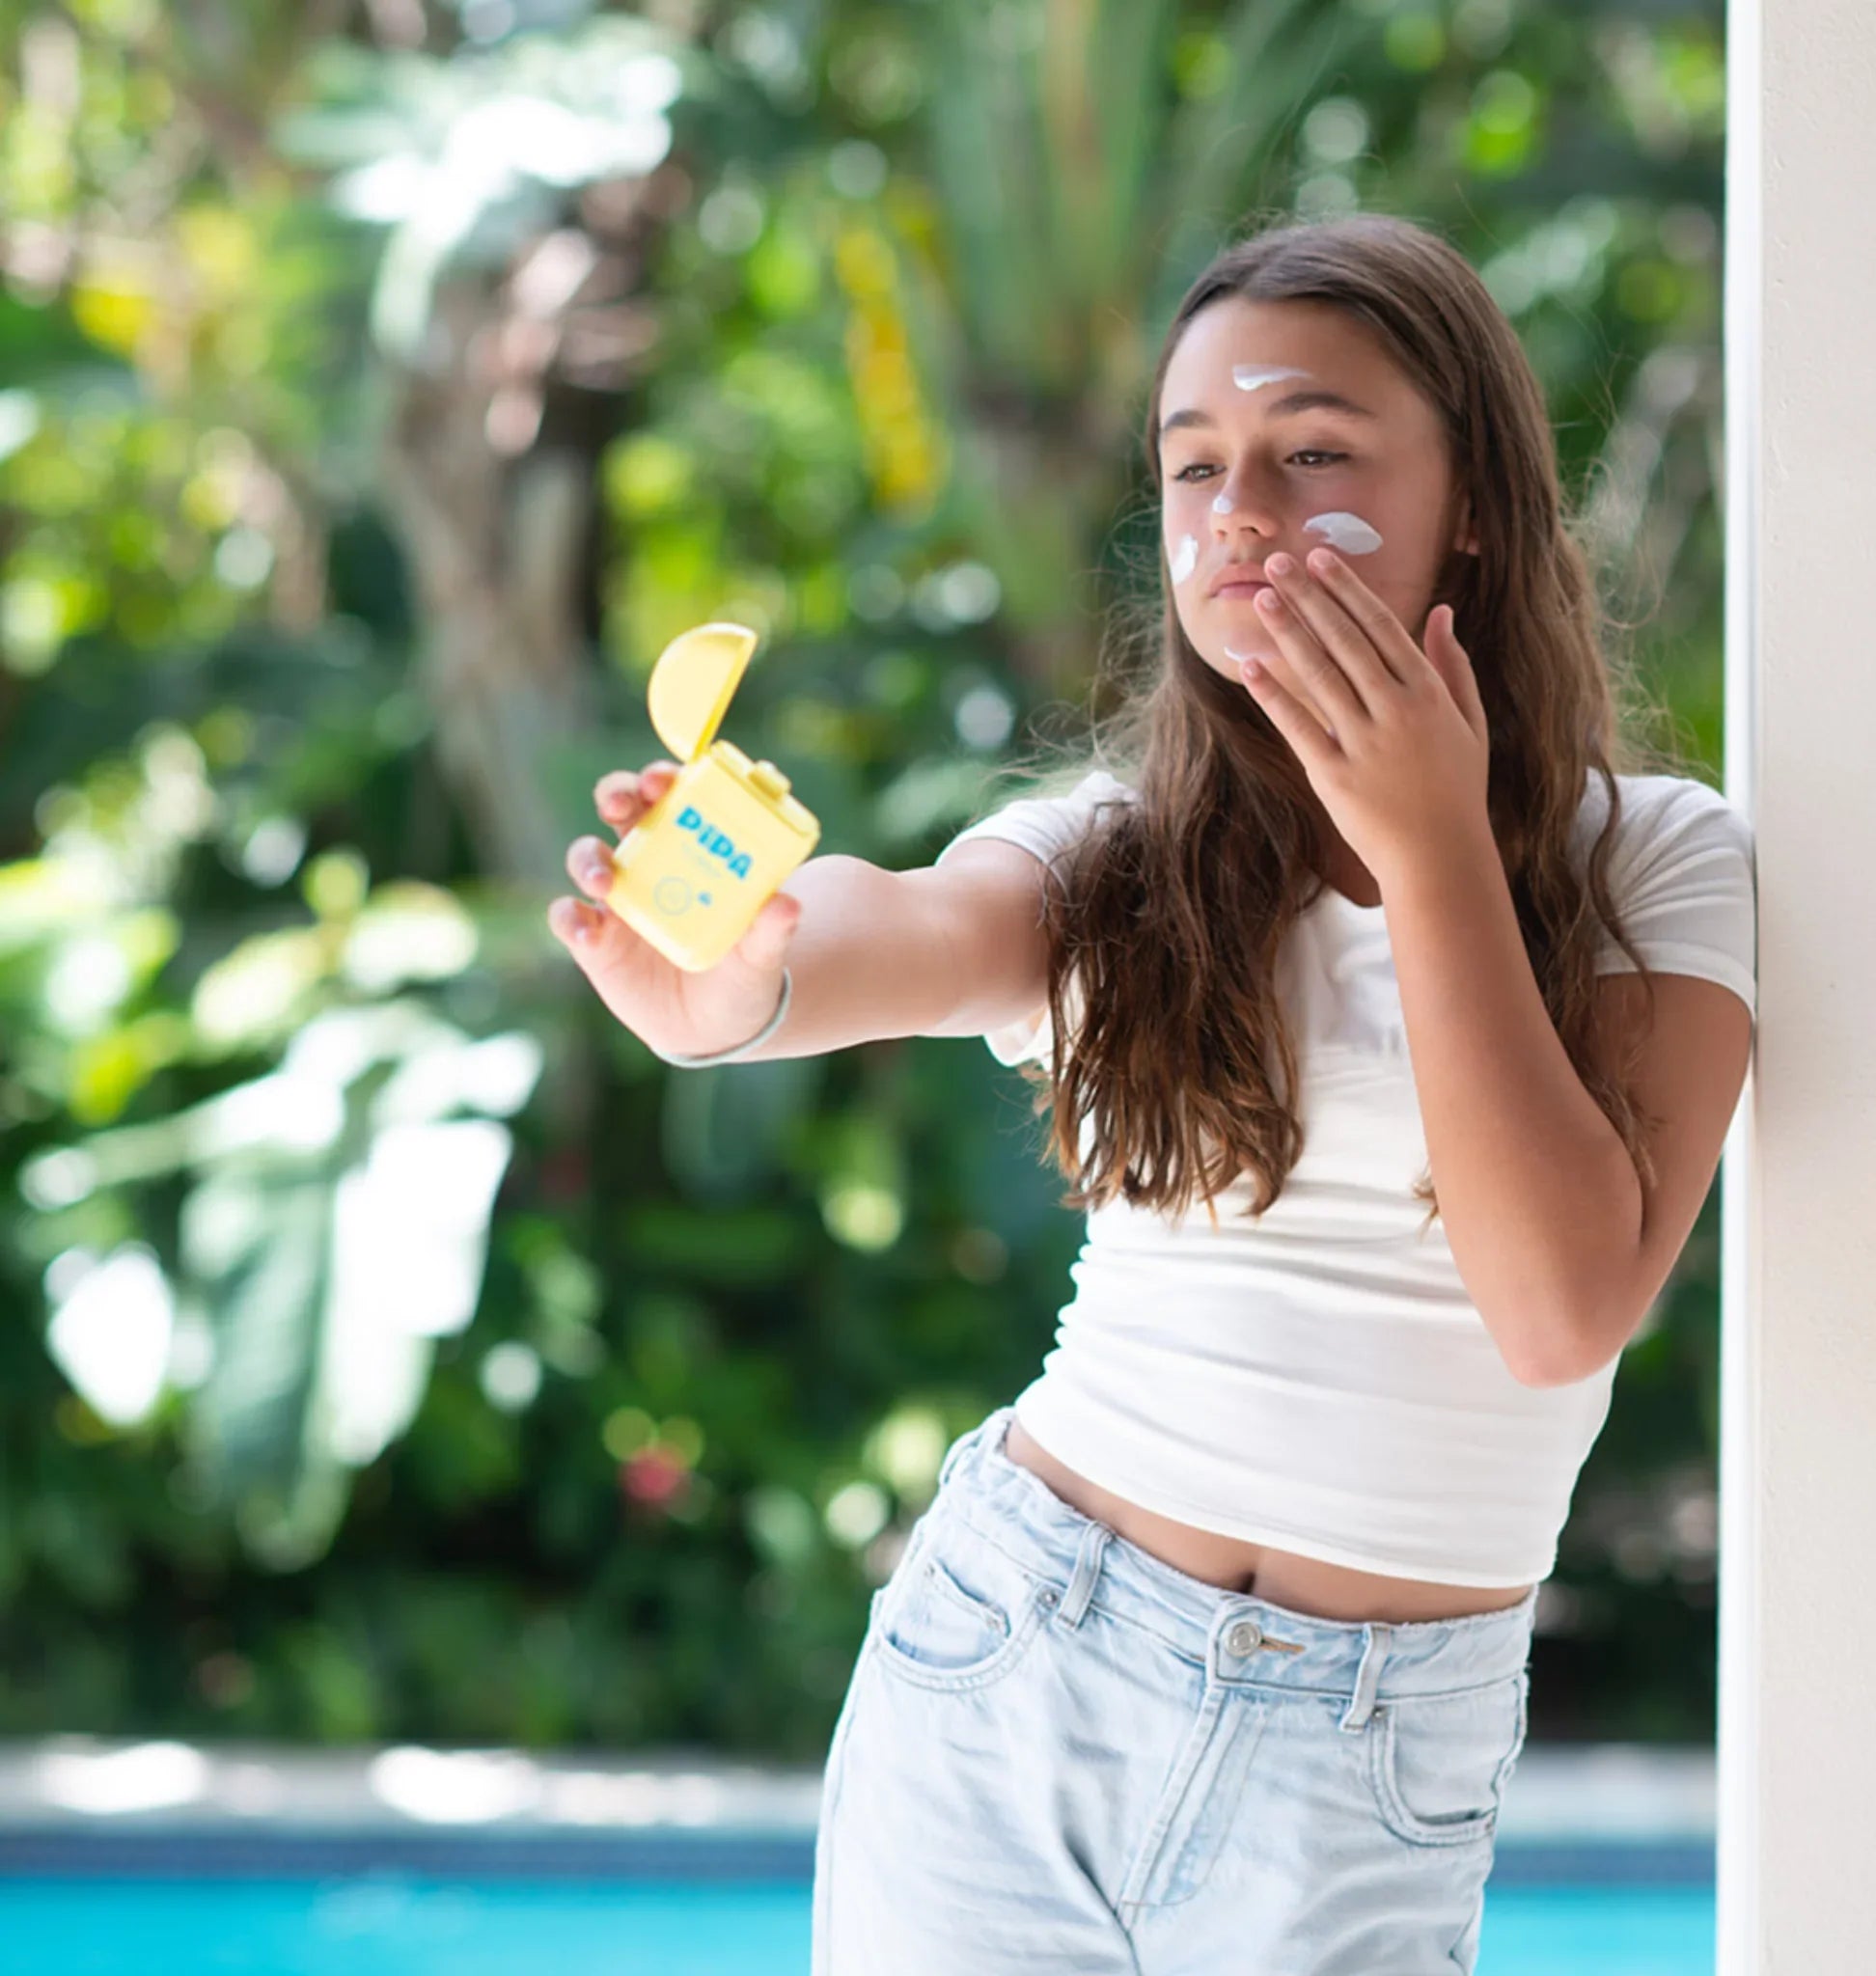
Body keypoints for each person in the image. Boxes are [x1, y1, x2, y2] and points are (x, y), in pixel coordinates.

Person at [548, 213, 1756, 1973]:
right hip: (1017, 1658)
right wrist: (738, 984)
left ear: (1475, 496)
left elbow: (1564, 1305)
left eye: (1312, 452)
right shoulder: (1120, 852)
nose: (1240, 518)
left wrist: (1426, 846)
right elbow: (908, 927)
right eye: (1196, 470)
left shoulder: (1658, 864)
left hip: (1371, 1759)